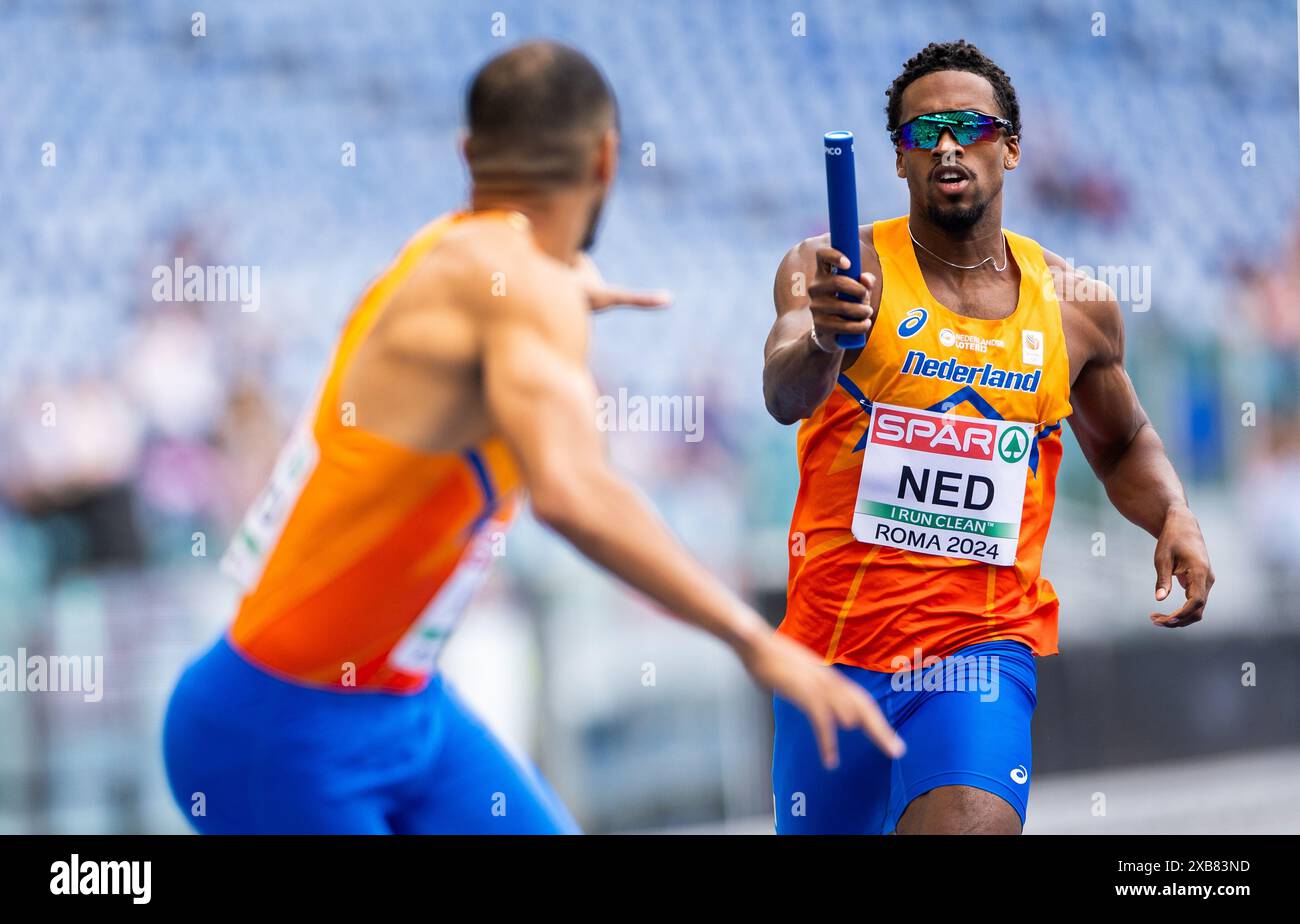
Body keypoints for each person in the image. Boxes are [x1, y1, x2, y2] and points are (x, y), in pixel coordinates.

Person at [162, 40, 902, 835]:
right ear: (607, 158)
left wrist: (559, 295)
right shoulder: (522, 288)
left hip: (400, 709)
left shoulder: (451, 254)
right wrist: (753, 639)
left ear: (467, 155)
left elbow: (497, 307)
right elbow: (572, 492)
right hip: (276, 734)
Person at [763, 40, 1214, 834]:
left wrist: (1174, 512)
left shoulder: (1076, 306)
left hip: (980, 651)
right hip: (831, 657)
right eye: (922, 130)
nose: (945, 143)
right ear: (898, 160)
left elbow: (1121, 441)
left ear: (1009, 146)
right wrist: (824, 341)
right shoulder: (834, 269)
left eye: (968, 125)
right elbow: (782, 394)